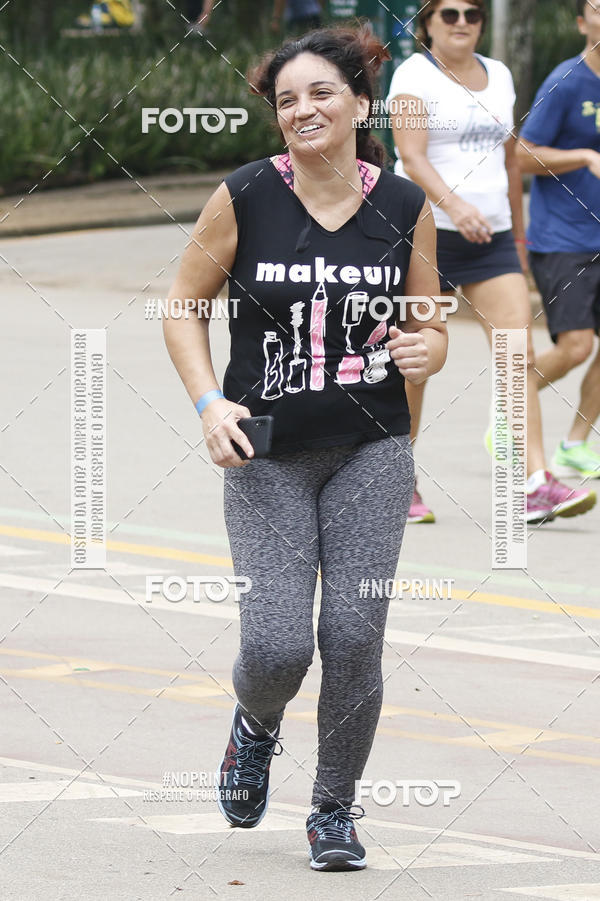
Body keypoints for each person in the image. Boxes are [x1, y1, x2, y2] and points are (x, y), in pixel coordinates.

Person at [163, 25, 448, 871]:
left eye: (322, 92)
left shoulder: (404, 205)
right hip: (267, 452)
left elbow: (429, 325)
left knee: (354, 636)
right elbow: (182, 304)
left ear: (361, 103)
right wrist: (210, 403)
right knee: (278, 647)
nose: (303, 109)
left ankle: (332, 809)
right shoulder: (247, 194)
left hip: (372, 448)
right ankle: (256, 724)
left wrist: (429, 351)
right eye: (287, 99)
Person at [386, 0, 597, 524]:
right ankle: (396, 479)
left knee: (516, 355)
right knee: (418, 363)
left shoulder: (499, 75)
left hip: (494, 238)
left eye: (473, 14)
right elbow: (411, 157)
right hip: (428, 236)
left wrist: (519, 237)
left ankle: (534, 483)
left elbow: (510, 159)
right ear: (428, 23)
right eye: (449, 14)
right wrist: (455, 206)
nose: (462, 22)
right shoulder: (413, 76)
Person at [516, 0, 600, 480]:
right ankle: (511, 411)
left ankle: (574, 445)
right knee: (575, 347)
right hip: (564, 237)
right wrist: (583, 156)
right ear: (583, 23)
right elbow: (522, 155)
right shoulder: (565, 81)